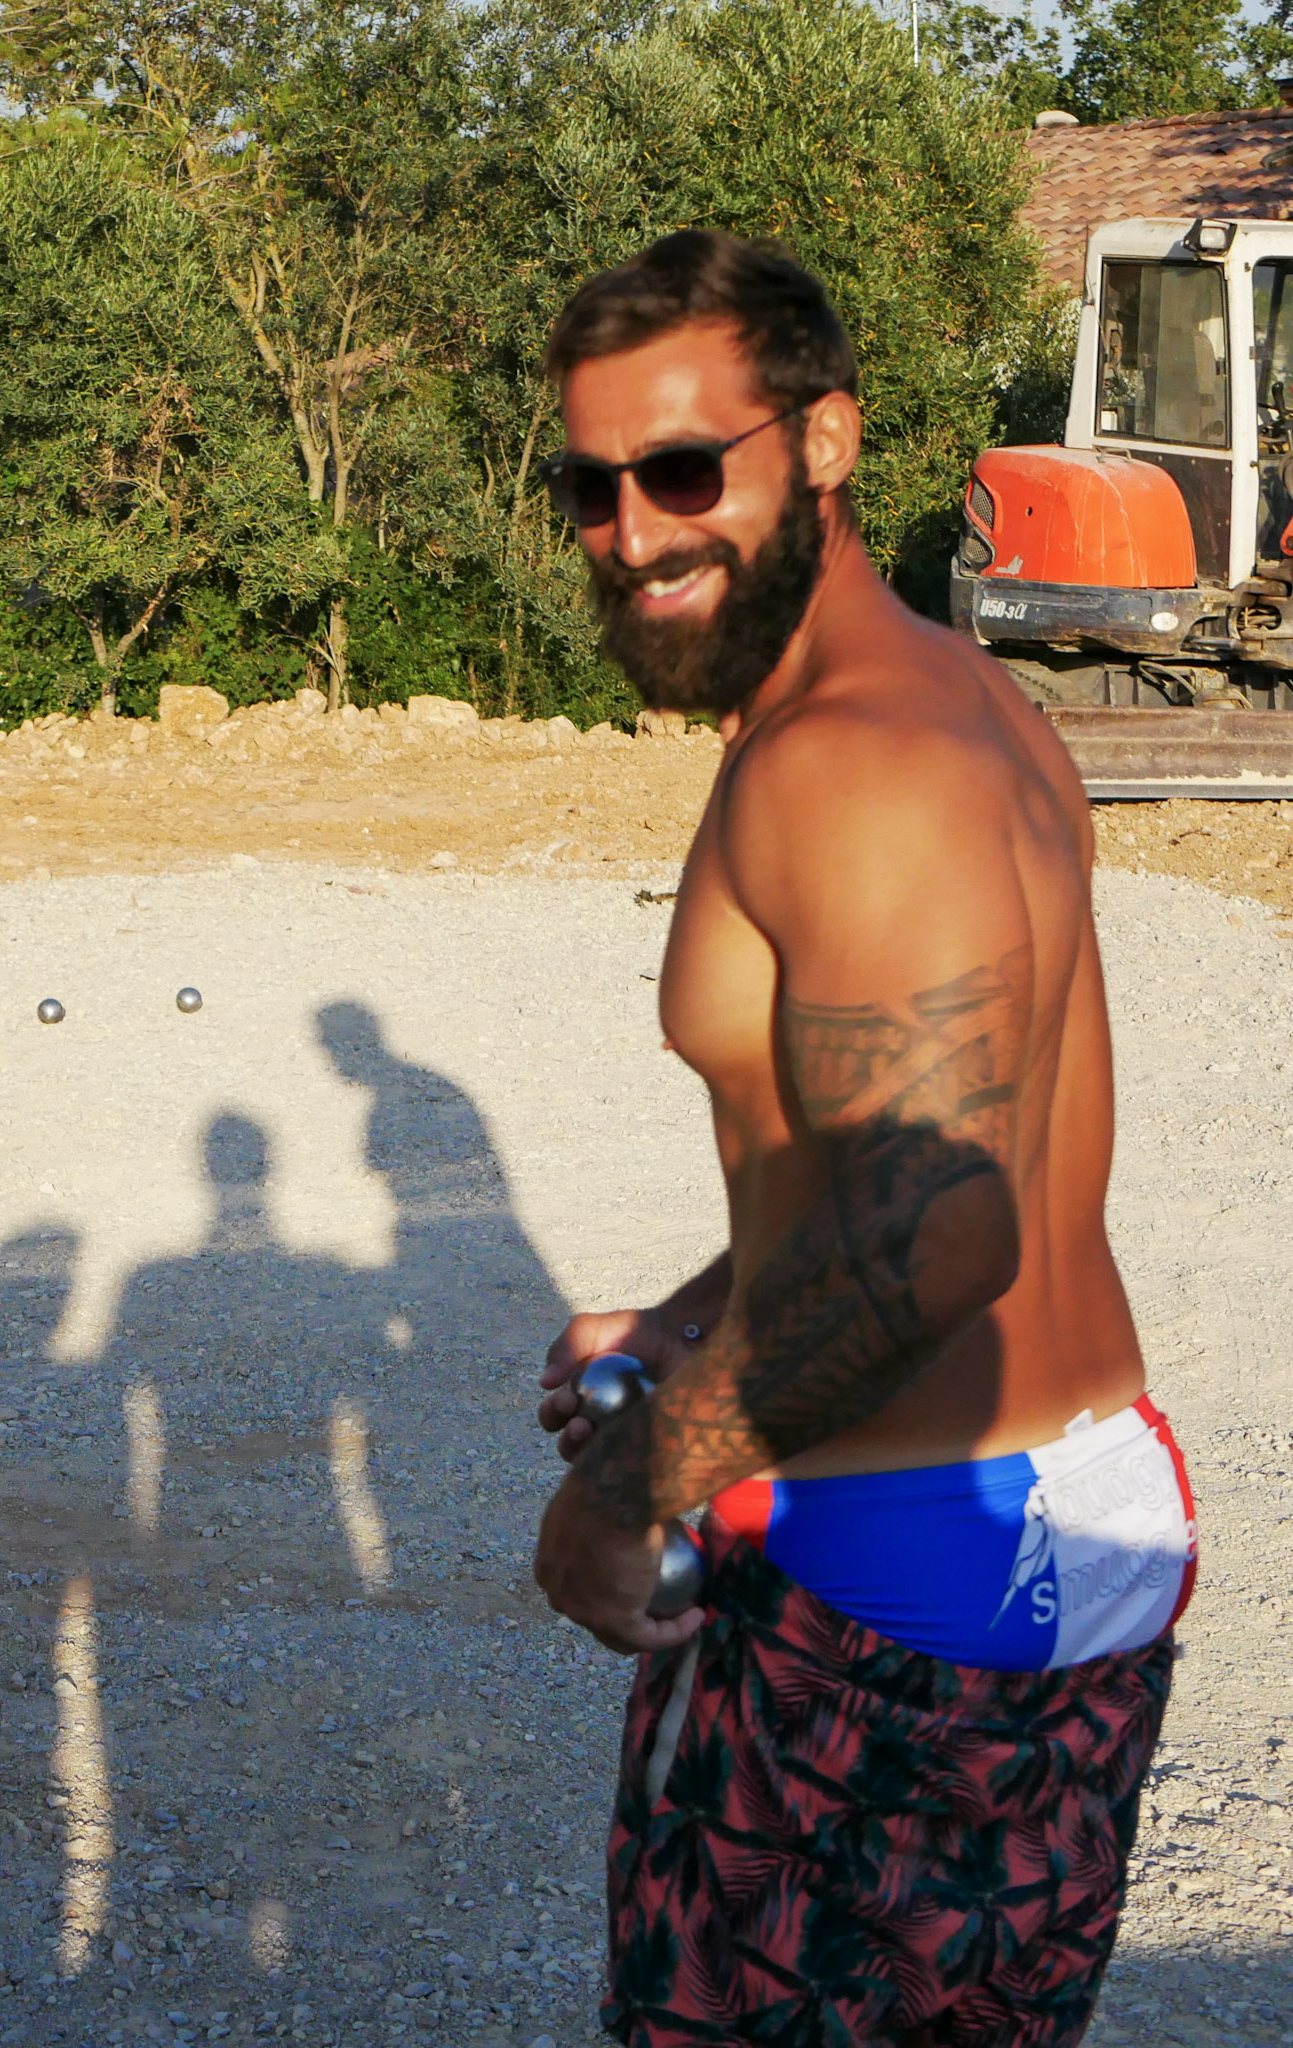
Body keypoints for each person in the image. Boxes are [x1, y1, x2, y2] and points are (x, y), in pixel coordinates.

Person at [531, 230, 1196, 2048]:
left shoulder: (850, 764)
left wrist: (624, 1487)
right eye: (591, 487)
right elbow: (905, 1141)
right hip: (1031, 1511)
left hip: (924, 1556)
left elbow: (933, 1231)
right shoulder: (949, 699)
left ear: (823, 440)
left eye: (685, 469)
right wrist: (695, 1320)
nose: (633, 532)